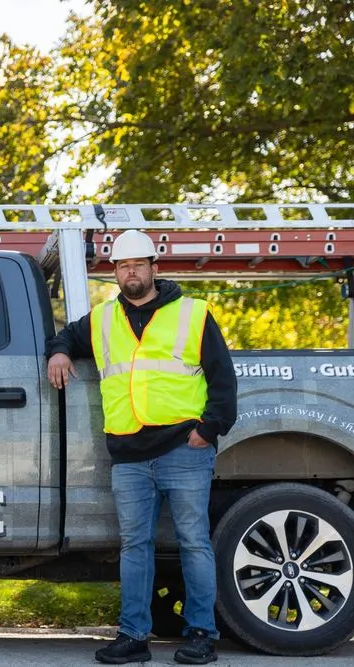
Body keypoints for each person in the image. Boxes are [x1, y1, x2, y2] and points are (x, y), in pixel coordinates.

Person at [45, 229, 237, 665]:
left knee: (193, 543)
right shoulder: (101, 319)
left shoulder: (192, 313)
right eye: (122, 265)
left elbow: (223, 379)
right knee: (135, 546)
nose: (130, 271)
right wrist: (58, 352)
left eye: (137, 264)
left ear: (154, 267)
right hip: (129, 454)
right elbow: (65, 338)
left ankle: (202, 635)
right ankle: (133, 638)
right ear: (114, 272)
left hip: (184, 449)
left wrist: (209, 430)